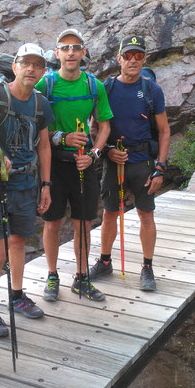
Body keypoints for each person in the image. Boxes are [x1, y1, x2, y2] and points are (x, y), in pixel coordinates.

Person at [0, 43, 55, 337]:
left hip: (25, 182)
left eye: (37, 65)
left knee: (19, 242)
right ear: (15, 66)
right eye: (25, 63)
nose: (31, 69)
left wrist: (45, 185)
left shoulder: (40, 104)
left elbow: (44, 144)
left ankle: (17, 295)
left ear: (43, 70)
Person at [34, 28, 113, 302]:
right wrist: (60, 137)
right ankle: (53, 275)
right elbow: (34, 126)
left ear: (83, 53)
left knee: (83, 222)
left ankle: (82, 278)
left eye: (76, 48)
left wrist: (94, 154)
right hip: (53, 164)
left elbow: (104, 126)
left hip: (84, 163)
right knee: (52, 222)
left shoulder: (94, 86)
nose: (70, 53)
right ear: (57, 54)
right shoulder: (45, 85)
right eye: (65, 48)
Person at [90, 35, 170, 291]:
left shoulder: (152, 90)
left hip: (143, 162)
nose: (132, 60)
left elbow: (164, 130)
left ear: (144, 59)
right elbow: (96, 128)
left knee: (146, 214)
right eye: (128, 55)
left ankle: (147, 267)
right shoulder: (107, 88)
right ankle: (105, 262)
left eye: (138, 56)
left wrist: (160, 167)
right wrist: (108, 151)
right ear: (119, 59)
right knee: (110, 212)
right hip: (115, 162)